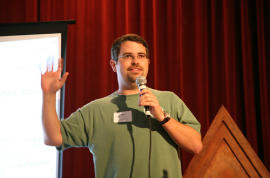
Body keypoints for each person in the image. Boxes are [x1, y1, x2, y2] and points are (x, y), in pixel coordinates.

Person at [41, 34, 203, 178]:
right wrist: (48, 95)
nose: (135, 61)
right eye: (127, 56)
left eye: (141, 56)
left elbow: (196, 145)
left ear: (148, 62)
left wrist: (162, 116)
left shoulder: (169, 100)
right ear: (113, 64)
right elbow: (53, 138)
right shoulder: (96, 110)